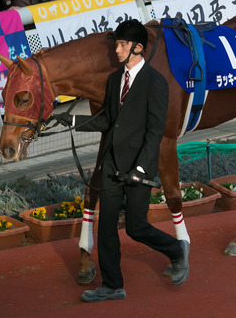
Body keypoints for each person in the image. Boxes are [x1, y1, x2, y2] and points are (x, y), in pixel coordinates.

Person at [53, 19, 190, 302]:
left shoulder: (156, 82)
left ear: (138, 48)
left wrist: (141, 168)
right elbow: (107, 120)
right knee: (106, 228)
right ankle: (112, 284)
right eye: (117, 43)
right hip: (112, 163)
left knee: (136, 227)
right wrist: (73, 120)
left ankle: (176, 250)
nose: (116, 49)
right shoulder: (115, 80)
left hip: (139, 167)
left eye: (123, 44)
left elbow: (156, 131)